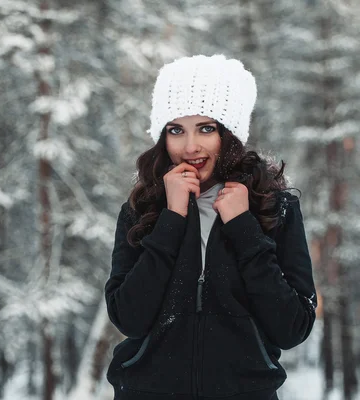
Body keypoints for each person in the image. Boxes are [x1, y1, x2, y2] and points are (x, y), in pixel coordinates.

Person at [104, 54, 317, 400]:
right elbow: (129, 318)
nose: (190, 147)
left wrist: (244, 228)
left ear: (229, 132)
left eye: (206, 128)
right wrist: (171, 218)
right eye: (176, 130)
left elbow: (292, 326)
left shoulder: (274, 209)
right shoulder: (141, 211)